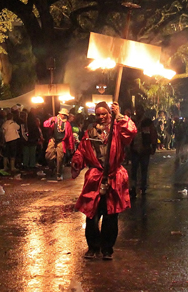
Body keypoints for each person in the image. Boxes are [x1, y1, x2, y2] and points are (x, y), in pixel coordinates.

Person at [70, 101, 137, 260]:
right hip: (95, 177)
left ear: (109, 113)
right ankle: (93, 247)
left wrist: (119, 115)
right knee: (91, 214)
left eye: (104, 114)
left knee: (111, 215)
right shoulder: (90, 132)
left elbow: (131, 130)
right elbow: (82, 150)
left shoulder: (117, 128)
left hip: (114, 177)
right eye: (98, 114)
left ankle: (107, 249)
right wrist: (77, 161)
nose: (101, 117)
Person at [43, 108, 75, 181]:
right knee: (48, 155)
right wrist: (51, 121)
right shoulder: (54, 119)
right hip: (53, 139)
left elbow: (70, 136)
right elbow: (45, 125)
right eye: (63, 114)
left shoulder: (67, 124)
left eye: (65, 115)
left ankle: (59, 173)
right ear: (60, 114)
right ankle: (52, 167)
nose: (63, 116)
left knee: (60, 158)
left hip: (61, 141)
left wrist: (71, 147)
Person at [129, 115, 157, 198]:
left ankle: (143, 187)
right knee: (134, 170)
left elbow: (153, 134)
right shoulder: (132, 122)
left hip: (145, 149)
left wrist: (153, 146)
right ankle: (134, 187)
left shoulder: (147, 122)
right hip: (135, 149)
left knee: (143, 170)